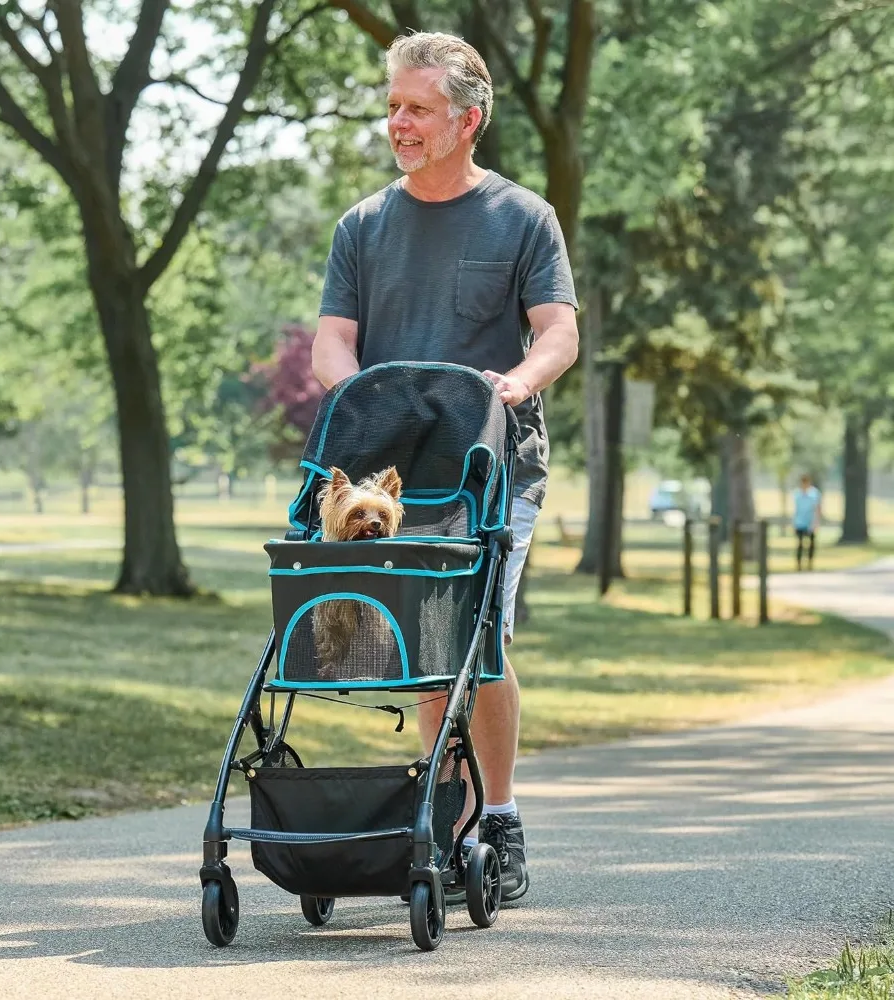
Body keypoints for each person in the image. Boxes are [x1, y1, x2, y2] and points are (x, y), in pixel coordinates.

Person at [311, 31, 579, 903]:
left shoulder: (523, 217)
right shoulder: (362, 225)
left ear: (468, 119)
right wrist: (358, 399)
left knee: (481, 639)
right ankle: (439, 813)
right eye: (393, 106)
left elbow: (558, 332)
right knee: (427, 648)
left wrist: (519, 381)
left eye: (417, 109)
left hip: (491, 468)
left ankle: (496, 818)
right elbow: (332, 342)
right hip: (391, 482)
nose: (399, 122)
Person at [793, 474, 822, 570]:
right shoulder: (797, 494)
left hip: (811, 522)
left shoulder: (814, 493)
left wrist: (816, 522)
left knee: (811, 544)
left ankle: (810, 563)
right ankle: (799, 564)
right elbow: (796, 509)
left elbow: (817, 508)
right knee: (800, 544)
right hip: (800, 522)